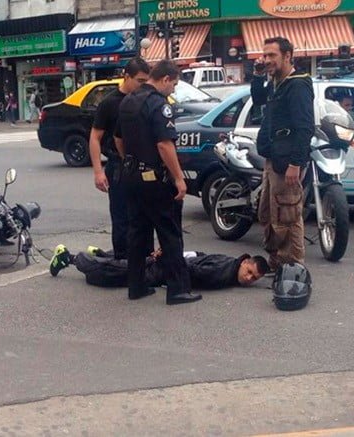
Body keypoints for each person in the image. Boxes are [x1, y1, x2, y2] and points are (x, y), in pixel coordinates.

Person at [114, 59, 201, 306]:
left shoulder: (128, 100)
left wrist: (130, 160)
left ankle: (137, 286)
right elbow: (164, 144)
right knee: (170, 233)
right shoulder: (158, 104)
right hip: (155, 180)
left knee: (137, 233)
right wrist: (178, 178)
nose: (173, 90)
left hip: (131, 176)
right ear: (164, 79)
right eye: (173, 84)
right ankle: (178, 290)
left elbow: (118, 138)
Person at [251, 36, 314, 269]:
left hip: (287, 162)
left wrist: (295, 164)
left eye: (272, 56)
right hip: (273, 158)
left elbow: (304, 127)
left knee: (287, 216)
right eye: (264, 55)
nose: (267, 60)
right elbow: (258, 99)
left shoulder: (297, 85)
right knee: (268, 213)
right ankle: (276, 261)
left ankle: (292, 268)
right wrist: (258, 75)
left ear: (288, 56)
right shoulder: (277, 81)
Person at [88, 58, 150, 261]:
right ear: (126, 77)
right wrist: (98, 171)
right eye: (140, 81)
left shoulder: (144, 100)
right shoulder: (109, 103)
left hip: (140, 165)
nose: (142, 85)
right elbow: (95, 137)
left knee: (142, 215)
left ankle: (144, 259)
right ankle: (122, 261)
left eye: (146, 81)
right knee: (122, 217)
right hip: (117, 165)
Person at [49, 244, 269, 289]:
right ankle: (67, 257)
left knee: (121, 267)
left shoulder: (228, 262)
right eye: (250, 272)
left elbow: (198, 256)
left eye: (254, 278)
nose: (249, 278)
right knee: (105, 274)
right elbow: (193, 268)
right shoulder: (224, 272)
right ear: (245, 262)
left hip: (165, 264)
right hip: (161, 269)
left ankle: (100, 254)